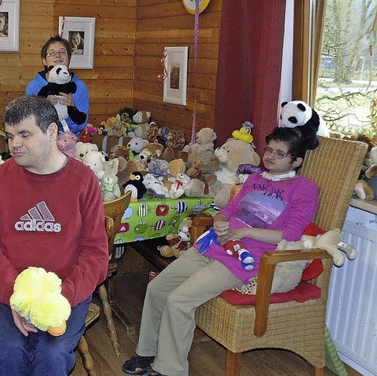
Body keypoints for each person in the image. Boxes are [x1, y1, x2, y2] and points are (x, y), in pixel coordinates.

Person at [122, 126, 320, 376]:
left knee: (178, 301)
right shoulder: (256, 179)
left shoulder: (304, 188)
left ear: (297, 161)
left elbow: (290, 234)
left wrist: (244, 233)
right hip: (215, 243)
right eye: (269, 149)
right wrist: (220, 222)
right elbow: (230, 209)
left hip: (244, 259)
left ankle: (169, 369)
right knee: (157, 287)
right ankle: (149, 351)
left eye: (279, 153)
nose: (270, 156)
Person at [0, 95, 108, 374]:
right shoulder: (3, 178)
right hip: (7, 288)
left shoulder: (83, 181)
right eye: (9, 136)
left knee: (52, 355)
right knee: (9, 351)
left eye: (24, 134)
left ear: (52, 132)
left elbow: (95, 254)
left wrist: (60, 301)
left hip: (64, 290)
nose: (13, 144)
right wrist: (15, 297)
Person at [25, 35, 89, 137]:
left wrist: (72, 109)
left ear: (69, 58)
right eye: (52, 53)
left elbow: (81, 124)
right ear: (44, 61)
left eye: (62, 52)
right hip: (41, 141)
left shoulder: (79, 87)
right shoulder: (33, 87)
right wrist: (43, 107)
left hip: (70, 142)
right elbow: (28, 122)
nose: (58, 56)